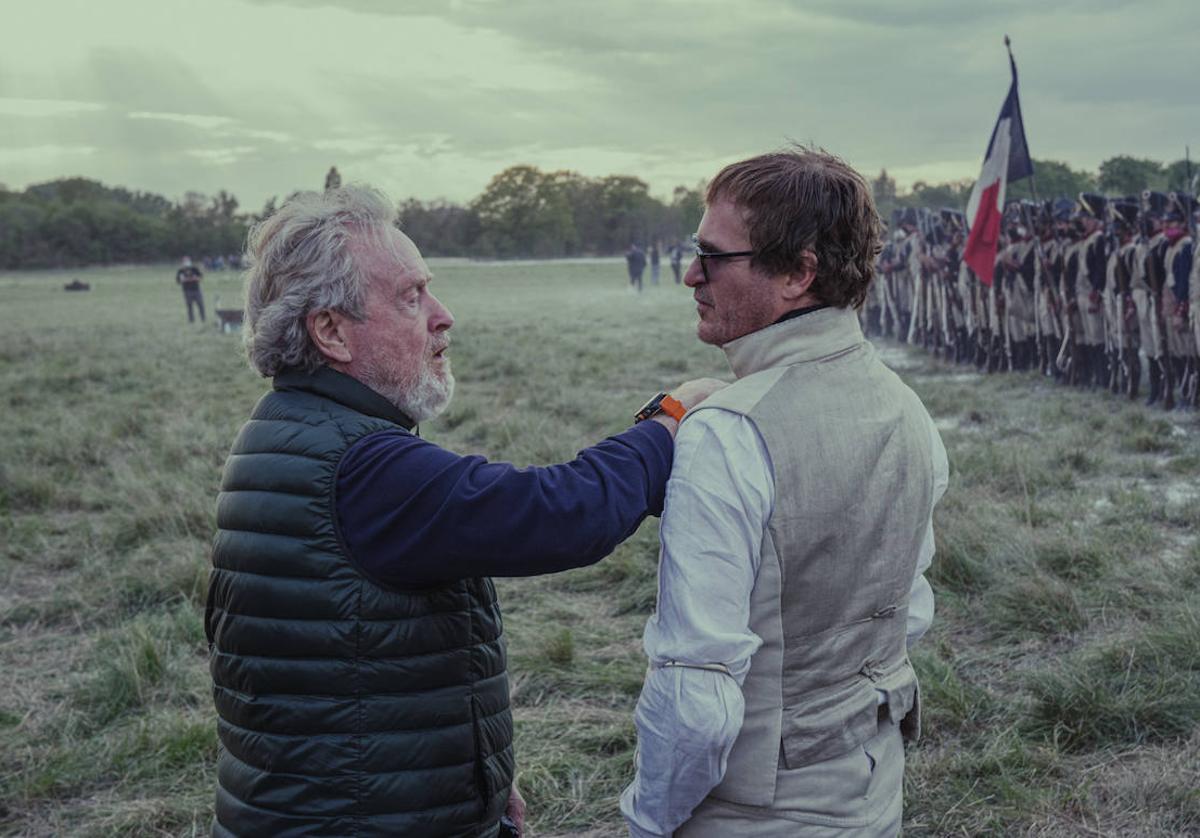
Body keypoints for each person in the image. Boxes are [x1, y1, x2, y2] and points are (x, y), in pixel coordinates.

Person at [205, 185, 723, 837]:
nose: (443, 315)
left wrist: (471, 797)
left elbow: (355, 678)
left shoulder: (290, 430)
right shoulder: (362, 469)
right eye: (411, 296)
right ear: (330, 331)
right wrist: (669, 419)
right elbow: (561, 513)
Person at [620, 147, 948, 837]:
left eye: (714, 257)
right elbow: (907, 613)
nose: (690, 275)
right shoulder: (907, 408)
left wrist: (649, 820)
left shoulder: (727, 435)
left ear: (799, 272)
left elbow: (694, 693)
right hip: (871, 793)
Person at [176, 257, 205, 323]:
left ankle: (203, 319)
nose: (186, 262)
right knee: (189, 306)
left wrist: (196, 278)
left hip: (196, 290)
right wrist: (185, 280)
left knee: (201, 304)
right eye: (184, 261)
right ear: (182, 262)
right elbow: (178, 281)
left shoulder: (194, 269)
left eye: (187, 261)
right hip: (187, 291)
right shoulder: (181, 271)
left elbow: (200, 277)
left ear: (190, 261)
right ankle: (191, 320)